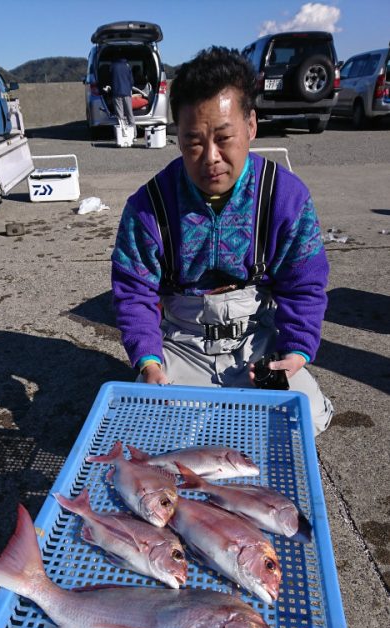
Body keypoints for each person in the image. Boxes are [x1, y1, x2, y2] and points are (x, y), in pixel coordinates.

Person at [111, 46, 333, 436]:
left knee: (307, 418)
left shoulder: (286, 197)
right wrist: (149, 363)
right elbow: (133, 293)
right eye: (194, 141)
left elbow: (305, 284)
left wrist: (296, 351)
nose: (210, 157)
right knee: (151, 429)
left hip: (256, 340)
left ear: (251, 125)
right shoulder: (148, 206)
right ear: (178, 138)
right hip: (181, 342)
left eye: (224, 137)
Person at [109, 56, 137, 137]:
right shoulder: (127, 66)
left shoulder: (112, 66)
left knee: (120, 115)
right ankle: (134, 134)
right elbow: (132, 81)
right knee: (130, 114)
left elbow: (110, 79)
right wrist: (129, 88)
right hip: (127, 93)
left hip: (116, 93)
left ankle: (123, 135)